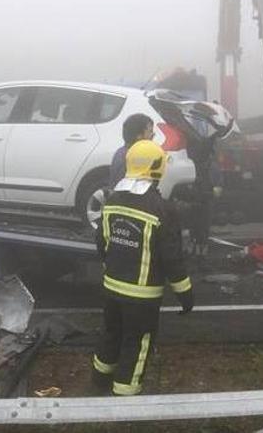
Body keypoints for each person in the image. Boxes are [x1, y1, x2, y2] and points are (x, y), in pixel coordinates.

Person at [93, 140, 194, 396]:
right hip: (142, 296)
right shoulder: (162, 209)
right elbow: (172, 258)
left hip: (111, 287)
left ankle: (99, 382)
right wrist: (185, 295)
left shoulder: (112, 200)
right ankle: (125, 396)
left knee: (111, 333)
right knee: (137, 342)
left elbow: (102, 243)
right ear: (158, 168)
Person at [109, 114, 154, 188]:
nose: (153, 135)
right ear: (139, 136)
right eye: (150, 132)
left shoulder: (121, 152)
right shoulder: (134, 157)